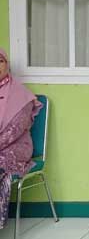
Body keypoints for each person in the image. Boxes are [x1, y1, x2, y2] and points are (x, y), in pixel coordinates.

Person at [0, 49, 43, 229]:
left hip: (16, 146)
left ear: (6, 64)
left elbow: (14, 130)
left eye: (0, 61)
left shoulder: (19, 94)